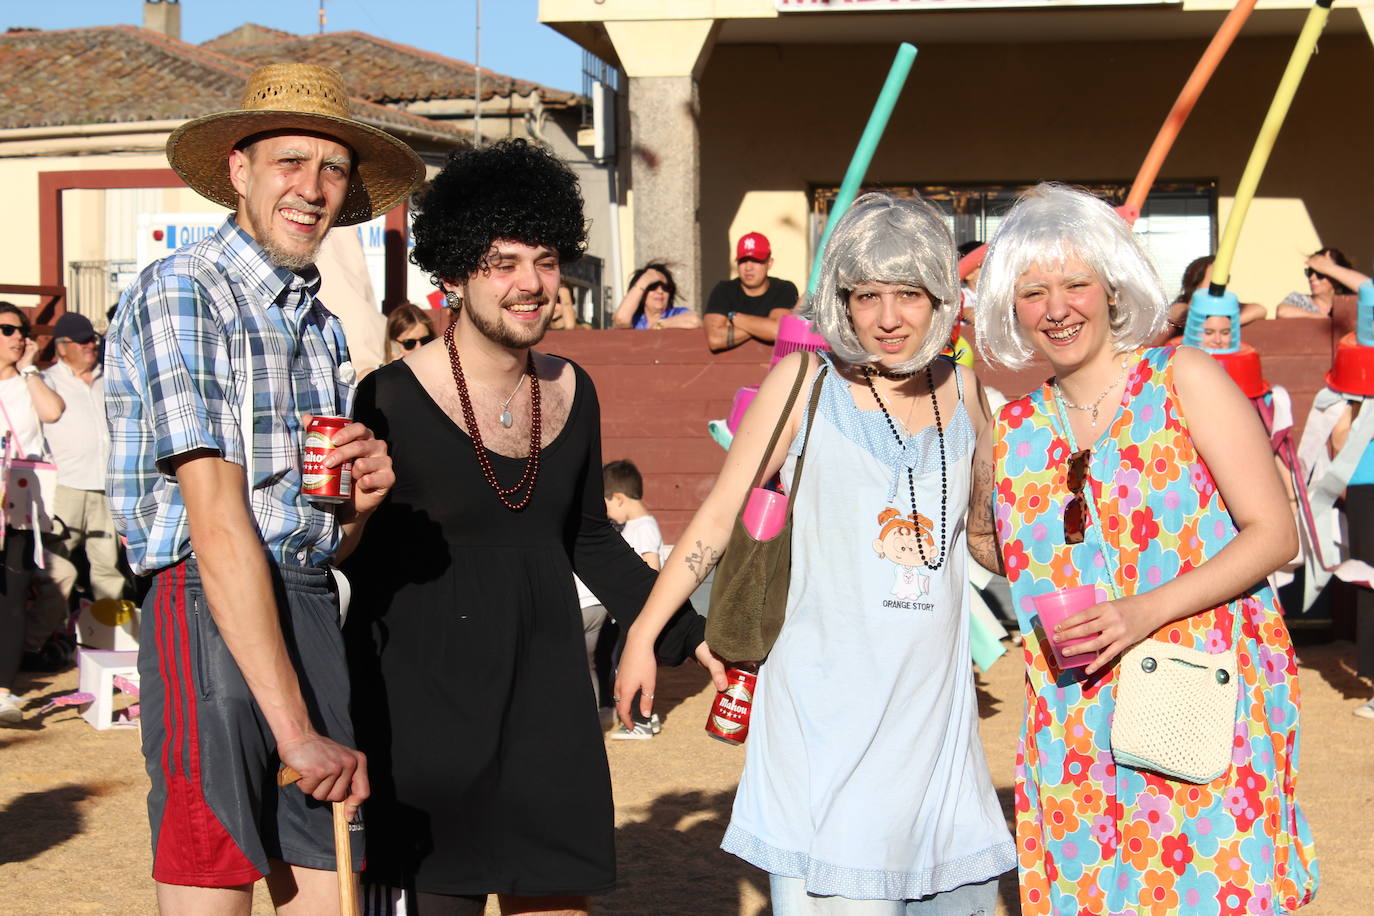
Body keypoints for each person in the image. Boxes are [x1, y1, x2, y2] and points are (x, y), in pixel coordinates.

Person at [616, 192, 1015, 913]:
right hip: (823, 723)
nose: (888, 319)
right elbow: (716, 516)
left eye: (908, 295)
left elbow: (987, 542)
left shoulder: (968, 390)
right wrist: (645, 632)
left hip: (936, 733)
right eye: (867, 296)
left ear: (941, 298)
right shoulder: (805, 383)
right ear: (842, 300)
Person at [342, 138, 711, 916]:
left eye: (544, 261)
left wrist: (689, 635)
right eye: (503, 262)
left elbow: (588, 537)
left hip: (548, 710)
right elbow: (352, 557)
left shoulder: (573, 389)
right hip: (425, 721)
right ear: (452, 274)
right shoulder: (387, 398)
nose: (530, 284)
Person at [104, 62, 414, 911]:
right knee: (218, 870)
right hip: (208, 599)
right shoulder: (185, 292)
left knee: (331, 878)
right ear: (238, 169)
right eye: (290, 162)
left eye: (333, 169)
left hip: (307, 597)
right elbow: (215, 518)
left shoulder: (319, 323)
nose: (312, 188)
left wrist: (359, 507)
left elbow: (320, 536)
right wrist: (295, 729)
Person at [969, 183, 1317, 914]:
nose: (1057, 308)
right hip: (1077, 716)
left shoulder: (1182, 377)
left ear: (1113, 287)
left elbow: (1274, 533)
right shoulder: (1017, 427)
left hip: (1196, 700)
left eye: (1075, 284)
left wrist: (1144, 611)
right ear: (1011, 307)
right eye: (1033, 292)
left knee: (1208, 891)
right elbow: (1009, 555)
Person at [0, 302, 64, 725]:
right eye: (8, 329)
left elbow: (53, 412)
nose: (18, 337)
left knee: (11, 597)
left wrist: (27, 369)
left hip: (18, 504)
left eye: (21, 330)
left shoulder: (28, 382)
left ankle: (4, 688)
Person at [41, 312, 126, 611]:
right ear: (62, 346)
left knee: (108, 569)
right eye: (82, 341)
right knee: (58, 565)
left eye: (93, 338)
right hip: (66, 487)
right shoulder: (46, 381)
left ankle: (108, 641)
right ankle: (57, 637)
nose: (91, 344)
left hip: (106, 487)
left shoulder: (109, 377)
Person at [600, 458, 667, 740]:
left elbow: (651, 568)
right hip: (635, 610)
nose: (609, 514)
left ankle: (640, 721)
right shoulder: (641, 525)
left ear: (618, 498)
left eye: (608, 505)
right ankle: (646, 719)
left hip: (638, 611)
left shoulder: (641, 528)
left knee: (633, 663)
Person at [703, 232, 799, 352]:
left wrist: (735, 319)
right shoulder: (724, 290)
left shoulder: (784, 289)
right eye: (743, 261)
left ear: (769, 263)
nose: (748, 267)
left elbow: (778, 330)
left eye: (755, 260)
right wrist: (764, 326)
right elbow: (715, 339)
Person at [1156, 255, 1265, 345]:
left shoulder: (1225, 308)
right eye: (1214, 281)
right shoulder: (1180, 307)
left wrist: (1227, 323)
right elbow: (1180, 313)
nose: (1220, 286)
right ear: (1196, 283)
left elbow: (1259, 309)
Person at [611, 263, 701, 329]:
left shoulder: (676, 314)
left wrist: (660, 325)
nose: (660, 291)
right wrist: (644, 280)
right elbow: (620, 320)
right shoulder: (636, 319)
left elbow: (695, 320)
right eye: (653, 286)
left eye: (665, 287)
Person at [1275, 248, 1353, 319]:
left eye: (1320, 273)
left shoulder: (1349, 303)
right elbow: (1282, 312)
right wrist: (1324, 319)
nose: (1312, 278)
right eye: (1310, 272)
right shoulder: (1299, 300)